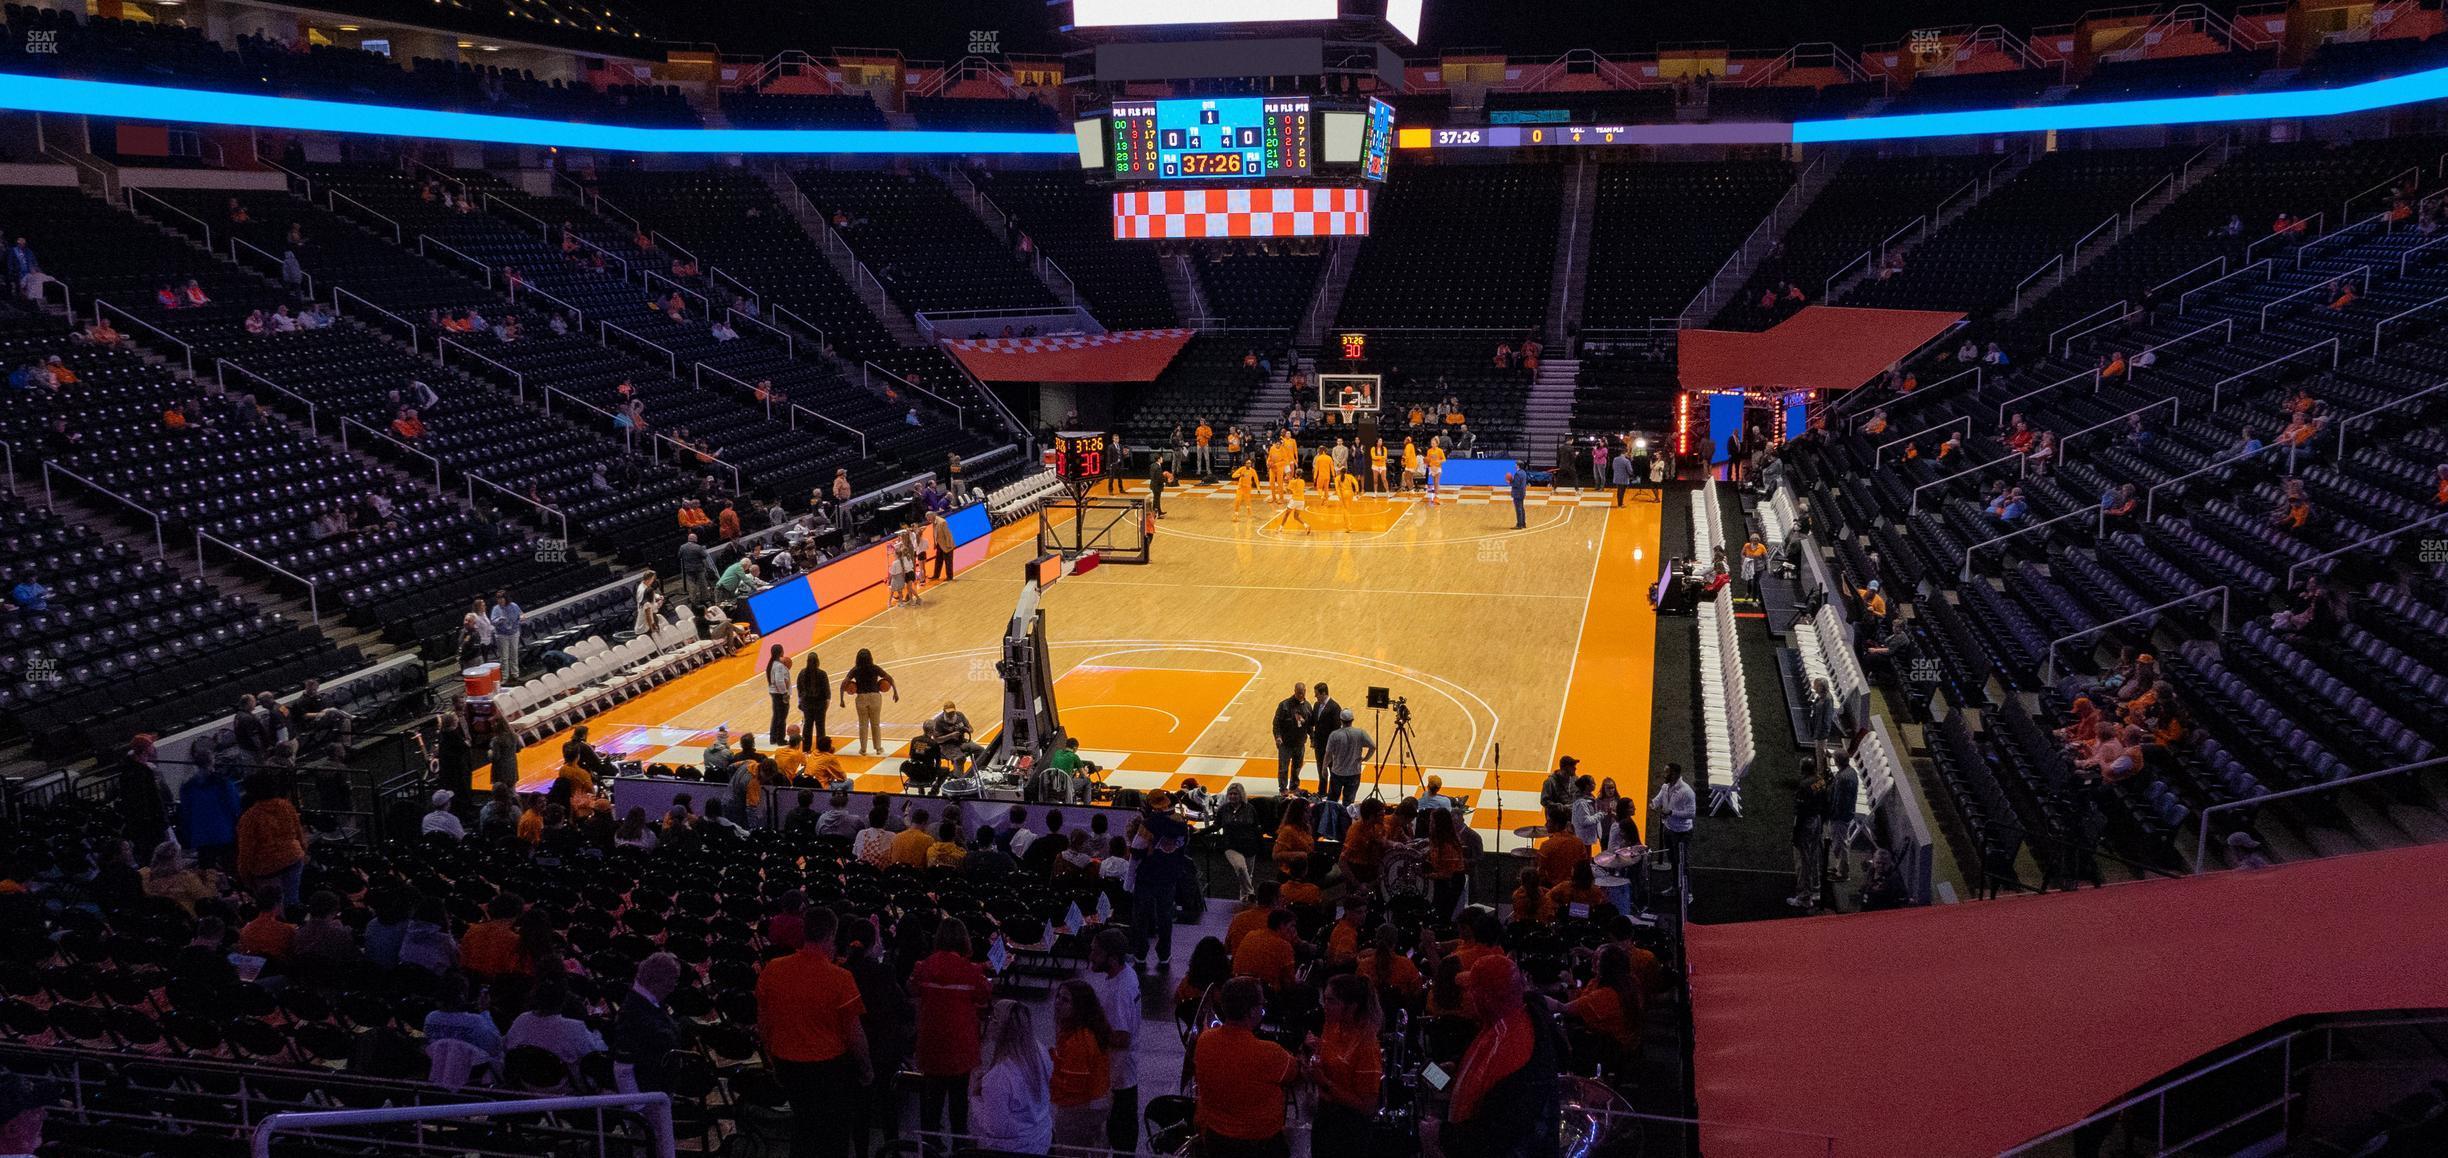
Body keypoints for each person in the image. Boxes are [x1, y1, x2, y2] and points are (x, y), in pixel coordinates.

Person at [757, 906, 871, 1158]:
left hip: (787, 1064)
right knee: (834, 1133)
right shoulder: (840, 978)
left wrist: (771, 1061)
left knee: (804, 1124)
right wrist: (866, 1069)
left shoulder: (772, 969)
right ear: (832, 935)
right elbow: (855, 1034)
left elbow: (764, 1023)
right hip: (828, 1070)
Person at [1193, 978, 1298, 1158]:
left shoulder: (1204, 1040)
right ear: (1251, 1012)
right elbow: (1294, 1072)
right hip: (1259, 1144)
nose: (1263, 1007)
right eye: (1261, 1004)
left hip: (1216, 1140)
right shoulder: (1269, 1052)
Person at [912, 918, 992, 1143]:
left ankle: (929, 1144)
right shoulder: (971, 971)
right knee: (958, 1100)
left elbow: (913, 989)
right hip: (960, 1045)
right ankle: (959, 1142)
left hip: (931, 1043)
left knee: (932, 1099)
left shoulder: (923, 966)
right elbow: (984, 995)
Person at [972, 1000, 1053, 1155]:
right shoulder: (1039, 1050)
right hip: (1041, 1139)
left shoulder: (998, 1076)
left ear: (999, 1027)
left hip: (1014, 1149)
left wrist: (975, 1096)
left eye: (992, 1018)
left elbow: (996, 1129)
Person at [1049, 979, 1113, 1150]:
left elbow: (1073, 1086)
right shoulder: (1087, 1031)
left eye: (1065, 1000)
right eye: (1058, 997)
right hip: (1095, 1104)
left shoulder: (1078, 1041)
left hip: (1077, 1110)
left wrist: (1046, 1075)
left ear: (1079, 1006)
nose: (1058, 1003)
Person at [612, 951, 684, 1095]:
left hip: (657, 1088)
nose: (673, 987)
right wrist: (637, 1106)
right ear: (656, 981)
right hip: (649, 1091)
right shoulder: (635, 1012)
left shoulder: (645, 1001)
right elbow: (624, 1067)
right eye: (672, 981)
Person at [839, 648, 897, 757]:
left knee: (863, 725)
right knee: (875, 724)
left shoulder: (855, 670)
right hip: (875, 697)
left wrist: (841, 698)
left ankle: (863, 749)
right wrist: (895, 691)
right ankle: (878, 749)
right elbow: (889, 678)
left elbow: (843, 683)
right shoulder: (875, 668)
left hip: (861, 698)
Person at [1650, 763, 1696, 891]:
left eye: (1666, 772)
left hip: (1682, 833)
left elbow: (1691, 814)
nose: (1664, 775)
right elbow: (1658, 799)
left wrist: (1671, 812)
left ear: (1674, 774)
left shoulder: (1687, 792)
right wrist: (1653, 804)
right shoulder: (1665, 787)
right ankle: (1675, 886)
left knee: (1683, 862)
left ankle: (1688, 892)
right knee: (1673, 861)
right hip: (1669, 829)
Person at [1322, 709, 1375, 805]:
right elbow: (1373, 746)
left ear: (1340, 720)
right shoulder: (1360, 733)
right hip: (1354, 773)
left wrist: (1324, 767)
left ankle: (1331, 818)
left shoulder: (1334, 735)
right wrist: (1365, 758)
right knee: (1349, 803)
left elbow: (1328, 754)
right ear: (1352, 720)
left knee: (1332, 802)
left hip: (1337, 773)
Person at [926, 701, 987, 779]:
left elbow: (971, 729)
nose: (950, 714)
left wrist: (965, 729)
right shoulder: (938, 721)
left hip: (961, 742)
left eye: (952, 712)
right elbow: (937, 740)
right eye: (948, 712)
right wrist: (951, 736)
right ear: (944, 711)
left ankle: (975, 773)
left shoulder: (960, 715)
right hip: (946, 746)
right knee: (960, 758)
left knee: (981, 751)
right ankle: (959, 780)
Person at [1271, 682, 1311, 795]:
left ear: (1305, 691)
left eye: (1302, 693)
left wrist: (1312, 738)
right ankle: (1283, 789)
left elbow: (1309, 725)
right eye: (1298, 693)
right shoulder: (1284, 705)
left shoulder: (1308, 706)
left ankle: (1294, 786)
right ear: (1294, 691)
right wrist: (1278, 737)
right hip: (1286, 743)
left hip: (1300, 743)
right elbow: (1276, 723)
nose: (1300, 695)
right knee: (1283, 768)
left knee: (1297, 767)